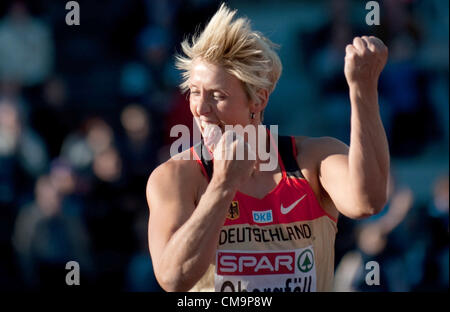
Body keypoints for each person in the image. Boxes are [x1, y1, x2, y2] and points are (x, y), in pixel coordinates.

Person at [146, 4, 389, 292]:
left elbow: (368, 201)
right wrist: (224, 184)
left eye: (217, 95)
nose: (200, 107)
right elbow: (174, 278)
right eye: (195, 92)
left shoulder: (311, 160)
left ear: (258, 100)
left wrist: (363, 91)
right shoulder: (177, 176)